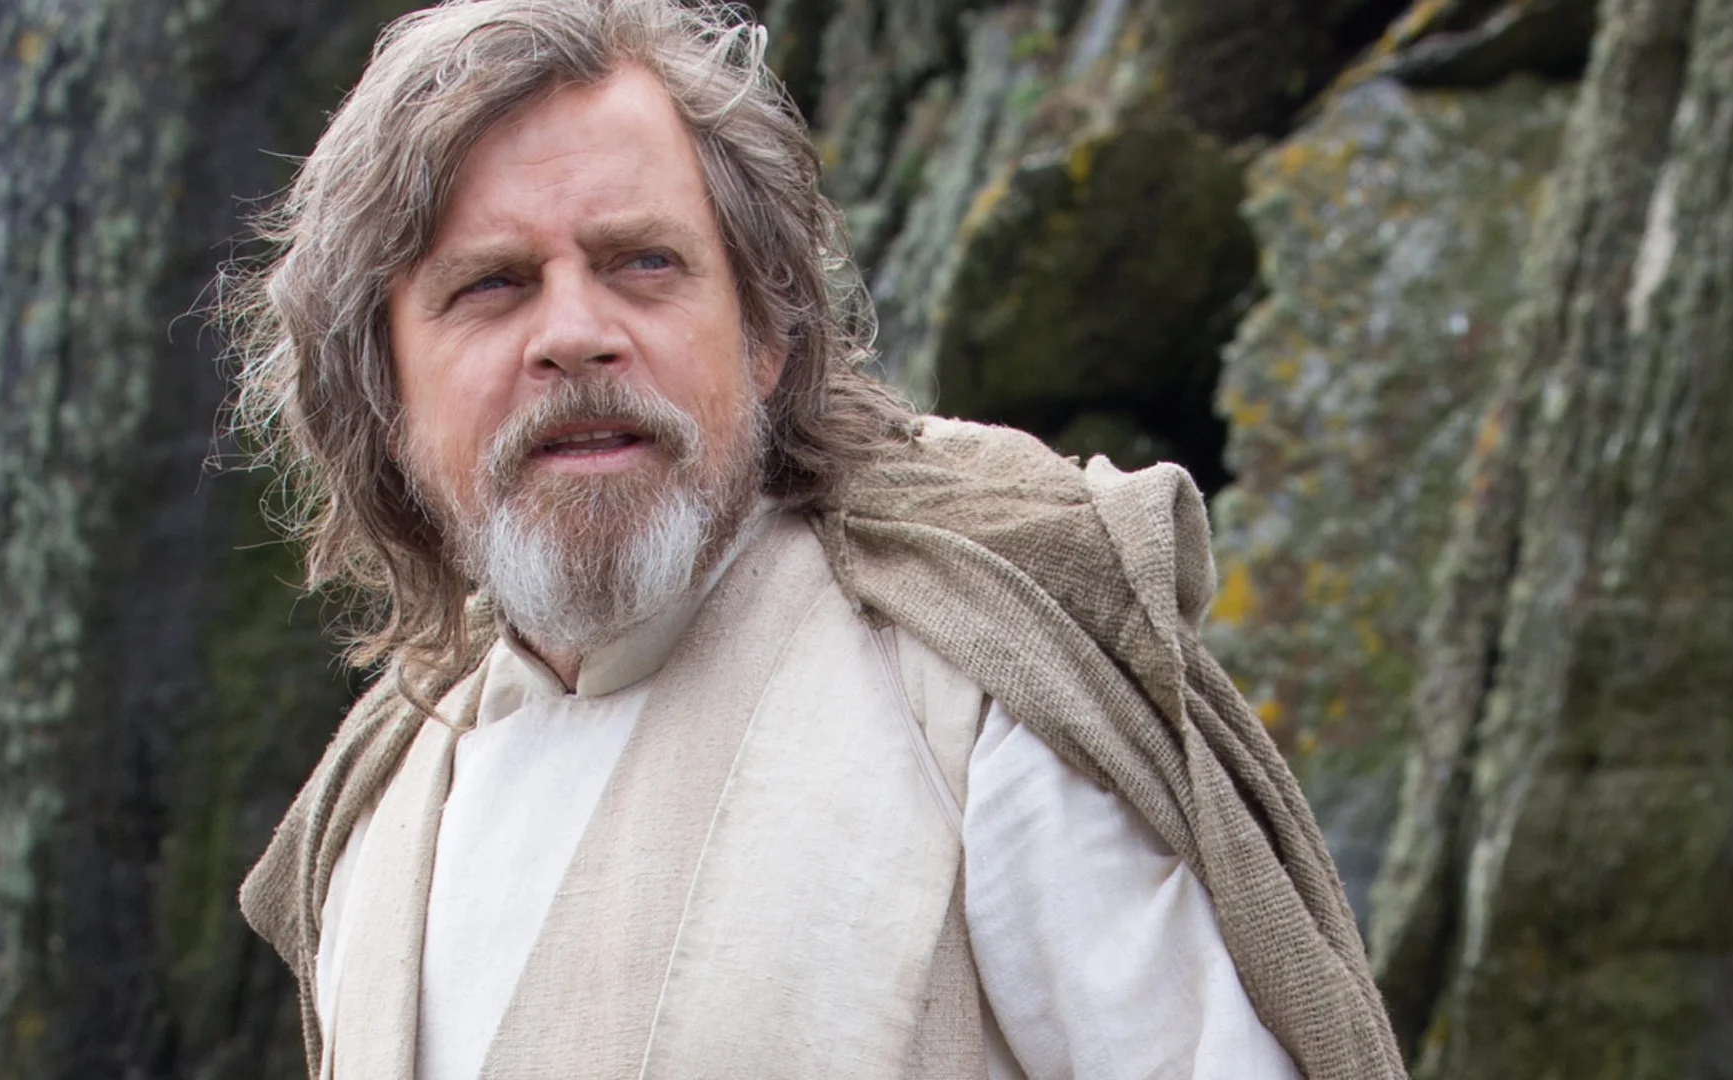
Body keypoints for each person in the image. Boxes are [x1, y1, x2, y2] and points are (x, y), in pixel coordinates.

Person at [225, 1, 1405, 1077]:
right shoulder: (374, 811)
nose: (575, 333)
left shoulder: (973, 688)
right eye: (492, 284)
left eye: (645, 264)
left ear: (768, 338)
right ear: (381, 390)